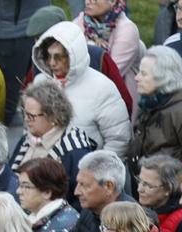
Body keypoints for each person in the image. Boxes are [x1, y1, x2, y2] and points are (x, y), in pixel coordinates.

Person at [33, 22, 132, 152]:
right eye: (47, 56)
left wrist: (97, 171)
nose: (52, 63)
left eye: (58, 57)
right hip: (45, 168)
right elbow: (29, 130)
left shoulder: (102, 87)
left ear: (73, 55)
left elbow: (118, 140)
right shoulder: (40, 83)